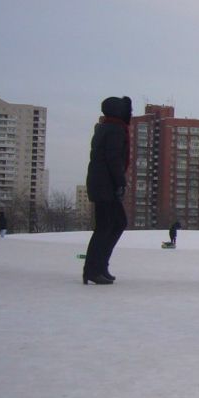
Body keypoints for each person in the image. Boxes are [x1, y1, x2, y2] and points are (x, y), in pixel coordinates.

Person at [83, 96, 131, 285]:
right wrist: (120, 183)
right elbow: (113, 159)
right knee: (106, 226)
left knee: (116, 223)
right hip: (105, 185)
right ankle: (93, 269)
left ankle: (99, 266)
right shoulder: (115, 129)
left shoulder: (107, 127)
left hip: (101, 184)